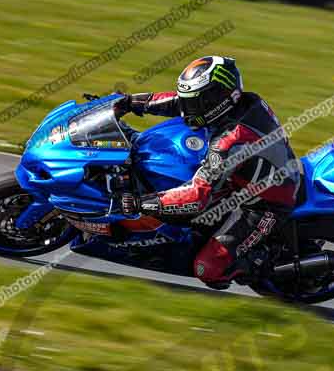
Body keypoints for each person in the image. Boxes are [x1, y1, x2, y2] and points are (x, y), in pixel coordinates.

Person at [116, 56, 302, 288]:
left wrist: (140, 203)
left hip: (263, 204)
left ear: (217, 99)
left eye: (195, 102)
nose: (187, 110)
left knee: (208, 269)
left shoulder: (230, 140)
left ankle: (259, 264)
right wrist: (131, 102)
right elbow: (178, 102)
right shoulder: (240, 102)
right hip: (244, 177)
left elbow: (196, 197)